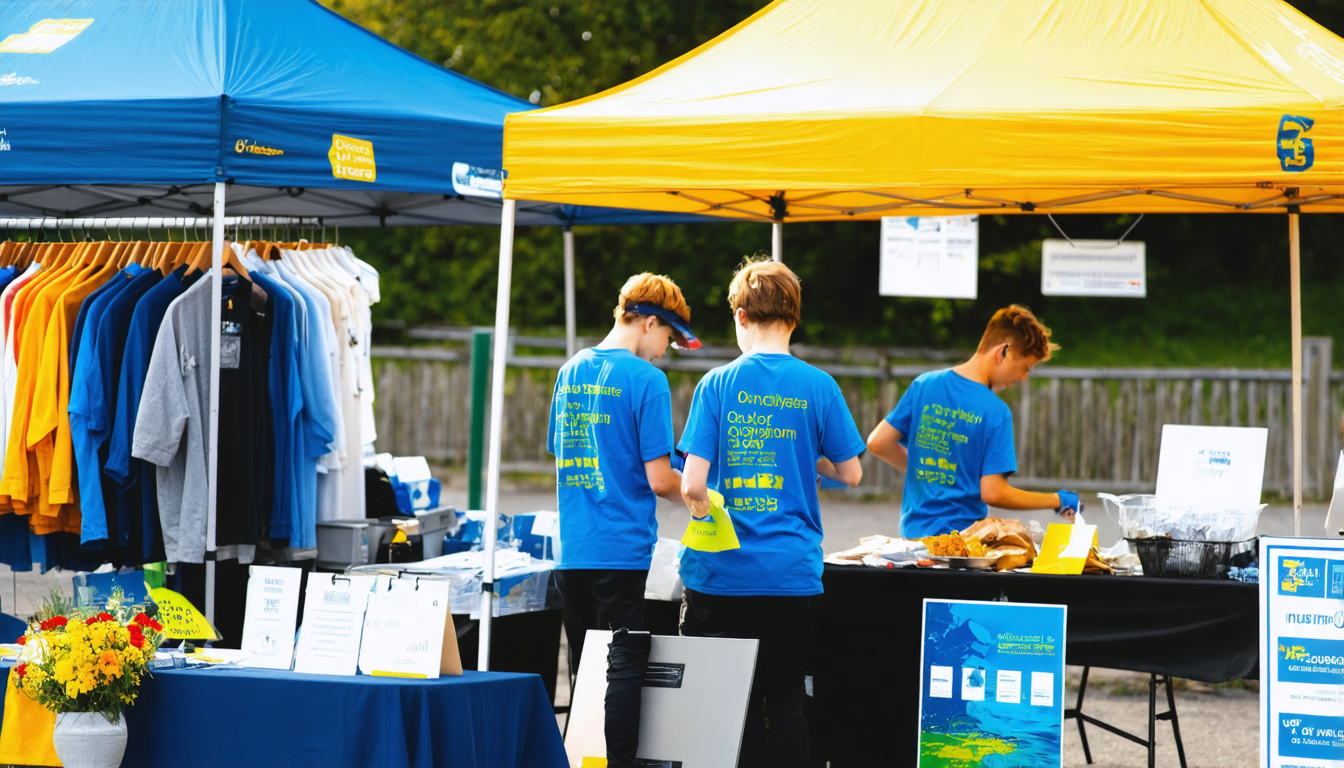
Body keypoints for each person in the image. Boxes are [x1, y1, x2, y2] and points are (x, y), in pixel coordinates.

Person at [678, 258, 865, 768]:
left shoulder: (716, 384)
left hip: (721, 575)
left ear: (741, 317)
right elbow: (851, 473)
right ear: (794, 318)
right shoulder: (820, 385)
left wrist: (705, 514)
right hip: (790, 574)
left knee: (717, 707)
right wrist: (803, 460)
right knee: (784, 701)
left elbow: (692, 484)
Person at [546, 272, 699, 676]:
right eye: (668, 337)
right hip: (621, 554)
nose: (664, 351)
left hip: (572, 551)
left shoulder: (570, 371)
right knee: (623, 677)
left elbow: (563, 452)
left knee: (584, 678)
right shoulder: (649, 380)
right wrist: (706, 499)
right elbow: (660, 480)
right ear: (650, 323)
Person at [866, 304, 1080, 539]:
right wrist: (1057, 499)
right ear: (1002, 352)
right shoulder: (996, 412)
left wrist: (926, 471)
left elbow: (878, 442)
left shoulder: (924, 384)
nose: (1024, 378)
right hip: (960, 545)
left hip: (912, 539)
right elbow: (994, 493)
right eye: (1025, 367)